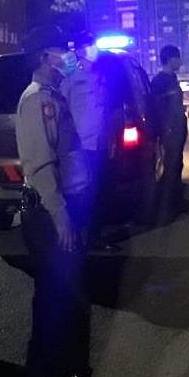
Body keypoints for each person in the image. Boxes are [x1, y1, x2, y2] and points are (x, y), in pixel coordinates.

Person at [16, 25, 107, 377]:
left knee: (51, 291)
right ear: (44, 57)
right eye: (61, 50)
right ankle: (74, 373)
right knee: (74, 295)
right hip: (53, 211)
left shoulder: (52, 95)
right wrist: (61, 216)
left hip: (58, 207)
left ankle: (42, 364)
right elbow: (41, 164)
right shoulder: (39, 101)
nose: (68, 56)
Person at [61, 31, 115, 250]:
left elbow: (104, 110)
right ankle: (77, 238)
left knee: (99, 192)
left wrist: (109, 139)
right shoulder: (70, 78)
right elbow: (63, 110)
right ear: (80, 50)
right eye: (89, 45)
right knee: (81, 193)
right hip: (80, 146)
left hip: (99, 143)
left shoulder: (100, 76)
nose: (93, 50)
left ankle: (94, 237)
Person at [151, 45, 189, 221]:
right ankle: (168, 207)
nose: (180, 61)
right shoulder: (159, 82)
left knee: (177, 165)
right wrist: (167, 130)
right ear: (169, 59)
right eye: (177, 58)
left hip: (178, 129)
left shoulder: (172, 77)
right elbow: (159, 110)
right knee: (171, 167)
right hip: (170, 132)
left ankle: (177, 201)